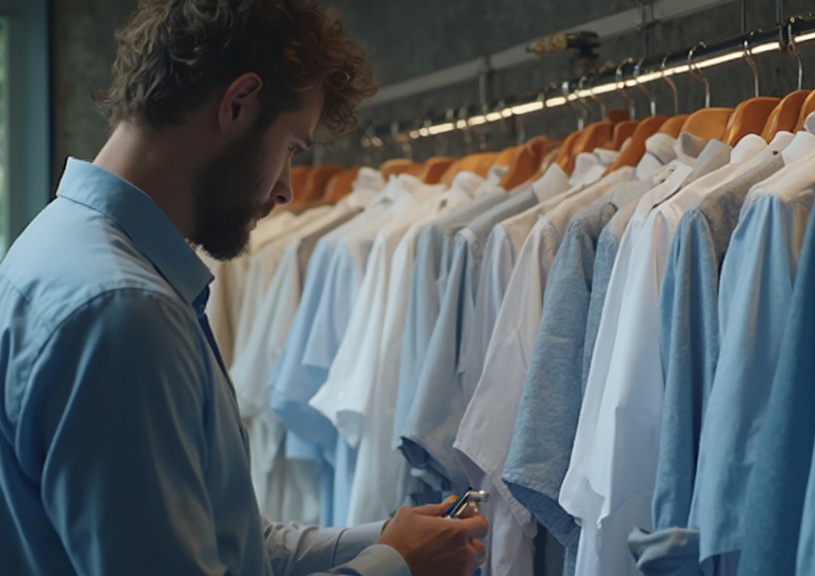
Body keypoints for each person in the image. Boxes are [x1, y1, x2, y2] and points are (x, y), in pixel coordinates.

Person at [0, 1, 488, 574]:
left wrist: (380, 542)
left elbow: (220, 538)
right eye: (291, 148)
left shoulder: (59, 243)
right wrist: (395, 566)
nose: (286, 190)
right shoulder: (125, 312)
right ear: (237, 104)